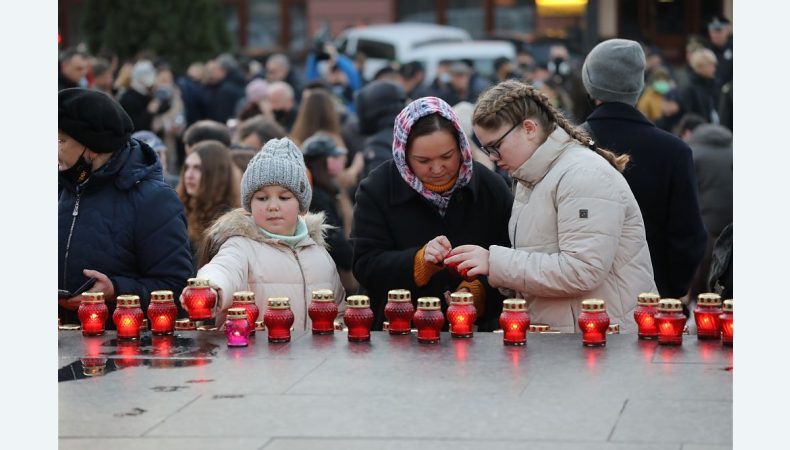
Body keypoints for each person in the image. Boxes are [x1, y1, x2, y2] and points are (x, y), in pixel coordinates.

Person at [446, 80, 656, 333]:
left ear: (529, 128)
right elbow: (541, 260)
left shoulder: (582, 175)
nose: (492, 157)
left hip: (602, 343)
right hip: (573, 339)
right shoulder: (533, 176)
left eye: (496, 146)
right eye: (486, 149)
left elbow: (582, 270)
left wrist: (495, 262)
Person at [350, 96, 514, 331]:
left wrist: (479, 290)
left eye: (447, 156)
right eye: (423, 160)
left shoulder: (490, 188)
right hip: (397, 333)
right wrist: (418, 263)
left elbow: (511, 259)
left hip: (474, 336)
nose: (437, 169)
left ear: (461, 146)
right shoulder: (377, 188)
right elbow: (365, 265)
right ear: (403, 154)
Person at [580, 38, 706, 303]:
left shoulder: (568, 145)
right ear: (638, 87)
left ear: (590, 85)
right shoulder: (675, 151)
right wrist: (669, 289)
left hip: (582, 301)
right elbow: (689, 236)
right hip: (654, 298)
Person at [59, 88, 193, 326]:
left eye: (60, 141)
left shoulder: (153, 200)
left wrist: (115, 290)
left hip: (122, 352)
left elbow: (176, 288)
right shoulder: (59, 187)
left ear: (92, 147)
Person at [188, 138, 346, 328]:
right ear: (249, 203)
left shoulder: (320, 254)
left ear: (301, 204)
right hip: (252, 355)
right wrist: (209, 287)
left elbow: (339, 312)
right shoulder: (240, 246)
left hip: (314, 356)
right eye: (262, 198)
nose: (272, 206)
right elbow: (224, 268)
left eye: (284, 197)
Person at [302, 133, 356, 292]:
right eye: (334, 157)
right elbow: (332, 237)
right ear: (325, 162)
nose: (340, 162)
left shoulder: (328, 190)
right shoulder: (316, 197)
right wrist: (353, 259)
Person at [685, 123, 733, 302]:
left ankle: (699, 302)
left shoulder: (693, 153)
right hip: (731, 219)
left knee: (705, 263)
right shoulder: (733, 151)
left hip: (707, 219)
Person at [176, 140, 241, 266]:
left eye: (197, 168)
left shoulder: (228, 223)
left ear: (217, 174)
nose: (189, 175)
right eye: (187, 167)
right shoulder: (178, 211)